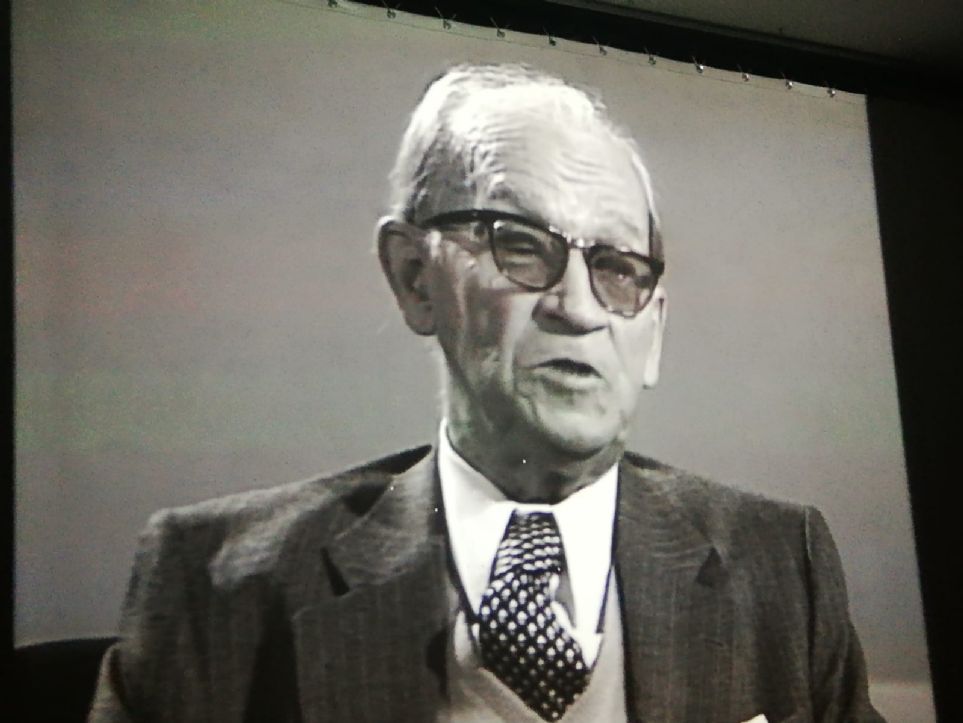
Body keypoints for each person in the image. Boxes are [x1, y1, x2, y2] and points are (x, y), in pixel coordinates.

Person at [89, 63, 883, 722]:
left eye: (616, 269)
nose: (577, 307)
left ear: (653, 330)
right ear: (414, 277)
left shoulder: (782, 564)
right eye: (520, 245)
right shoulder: (215, 581)